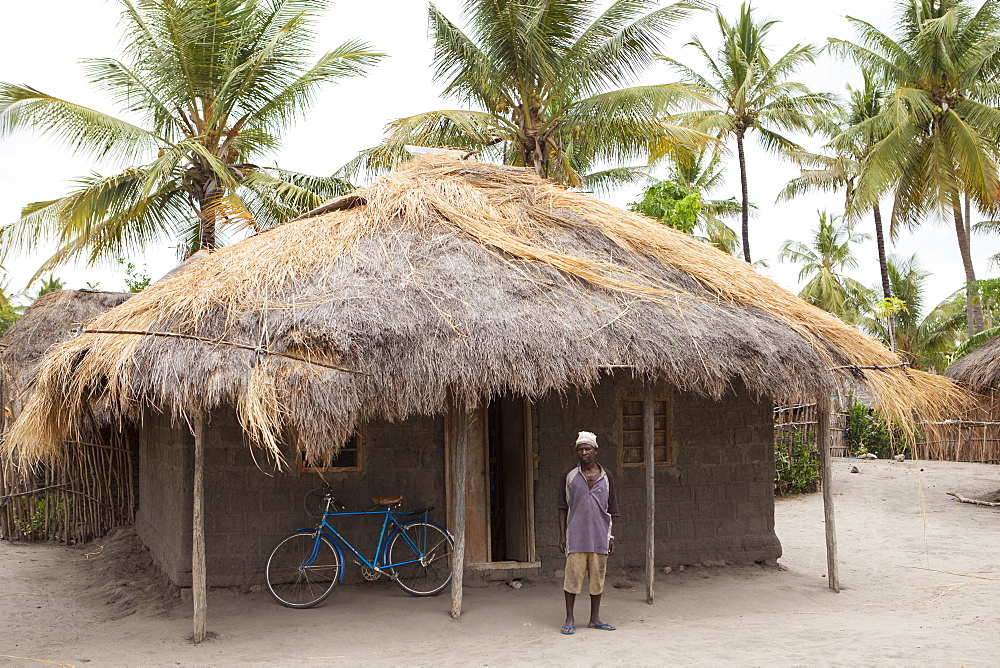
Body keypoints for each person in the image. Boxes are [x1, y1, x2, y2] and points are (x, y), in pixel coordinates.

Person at [557, 431, 619, 635]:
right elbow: (562, 506)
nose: (584, 452)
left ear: (595, 450)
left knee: (597, 577)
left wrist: (611, 536)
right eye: (580, 449)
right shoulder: (569, 475)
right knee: (572, 577)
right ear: (576, 451)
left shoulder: (606, 476)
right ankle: (569, 618)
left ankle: (595, 618)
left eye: (588, 448)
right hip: (576, 535)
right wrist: (562, 536)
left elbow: (612, 509)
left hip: (600, 536)